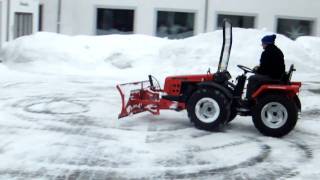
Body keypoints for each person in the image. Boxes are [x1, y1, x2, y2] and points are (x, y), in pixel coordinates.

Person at [245, 34, 286, 100]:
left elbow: (264, 69)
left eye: (263, 43)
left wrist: (257, 70)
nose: (262, 45)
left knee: (252, 79)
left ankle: (249, 99)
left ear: (266, 43)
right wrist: (259, 69)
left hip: (273, 76)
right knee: (256, 77)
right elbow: (269, 65)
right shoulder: (277, 50)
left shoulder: (267, 52)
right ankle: (255, 96)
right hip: (277, 74)